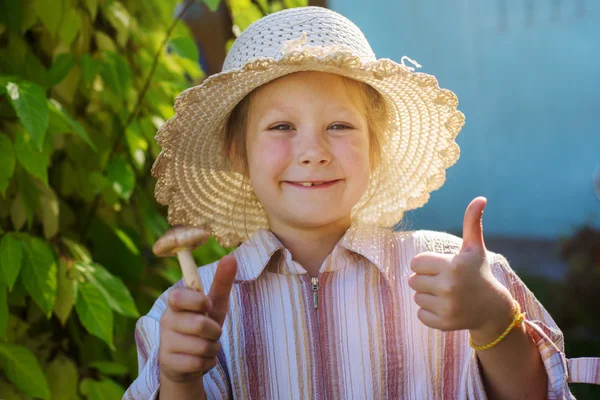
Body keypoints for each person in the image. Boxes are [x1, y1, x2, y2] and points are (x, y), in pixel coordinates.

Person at [124, 6, 600, 399]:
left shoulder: (455, 277)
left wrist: (494, 319)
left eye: (340, 126)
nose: (313, 151)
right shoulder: (188, 317)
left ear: (376, 146)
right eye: (282, 127)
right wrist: (180, 380)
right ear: (237, 153)